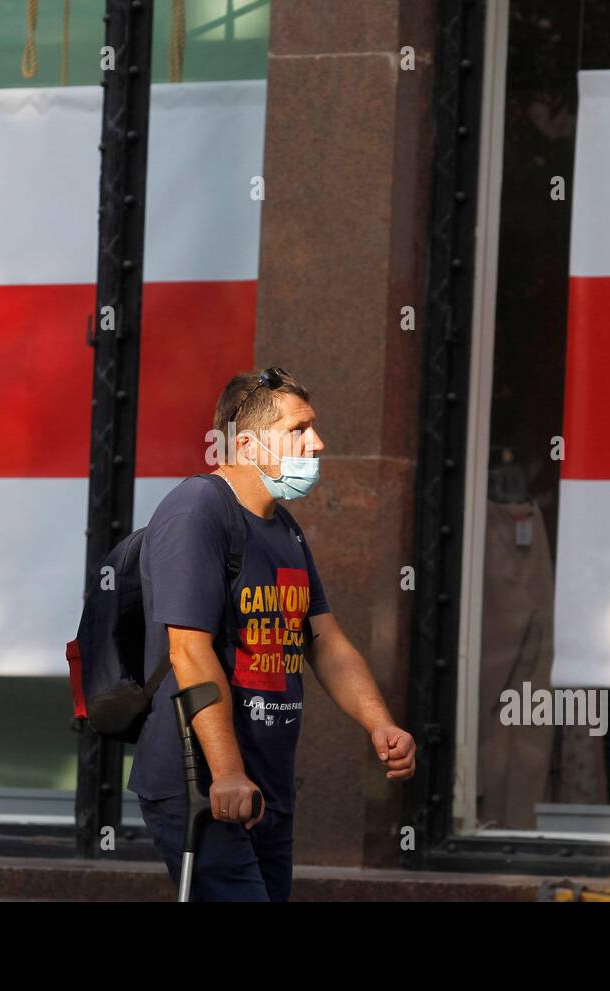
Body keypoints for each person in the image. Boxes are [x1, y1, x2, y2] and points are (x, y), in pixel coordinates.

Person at [129, 366, 416, 901]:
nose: (318, 443)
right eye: (298, 429)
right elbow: (188, 651)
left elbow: (325, 642)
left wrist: (379, 724)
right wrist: (228, 775)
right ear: (247, 444)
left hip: (265, 789)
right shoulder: (198, 510)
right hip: (205, 784)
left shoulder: (286, 530)